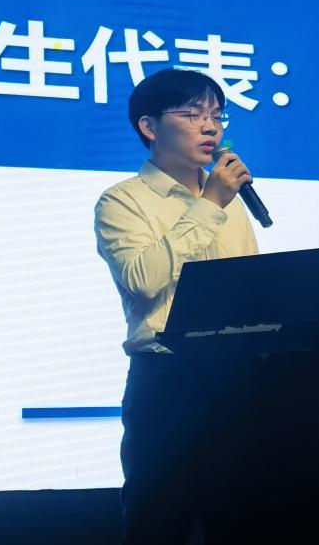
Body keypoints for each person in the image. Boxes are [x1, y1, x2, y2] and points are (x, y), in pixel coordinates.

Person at [94, 68, 258, 544]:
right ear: (149, 126)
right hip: (169, 380)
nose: (210, 127)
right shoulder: (123, 201)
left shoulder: (231, 203)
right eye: (192, 114)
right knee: (160, 522)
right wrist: (210, 205)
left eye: (217, 116)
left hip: (239, 378)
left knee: (242, 519)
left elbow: (250, 287)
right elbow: (143, 280)